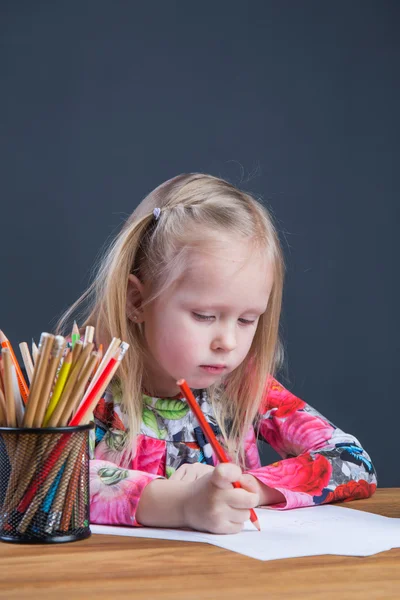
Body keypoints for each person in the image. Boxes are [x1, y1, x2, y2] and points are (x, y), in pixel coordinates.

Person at [57, 173, 377, 534]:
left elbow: (352, 460)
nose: (227, 341)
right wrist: (183, 503)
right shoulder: (85, 382)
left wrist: (247, 488)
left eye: (246, 319)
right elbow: (51, 478)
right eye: (204, 316)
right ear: (137, 301)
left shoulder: (243, 386)